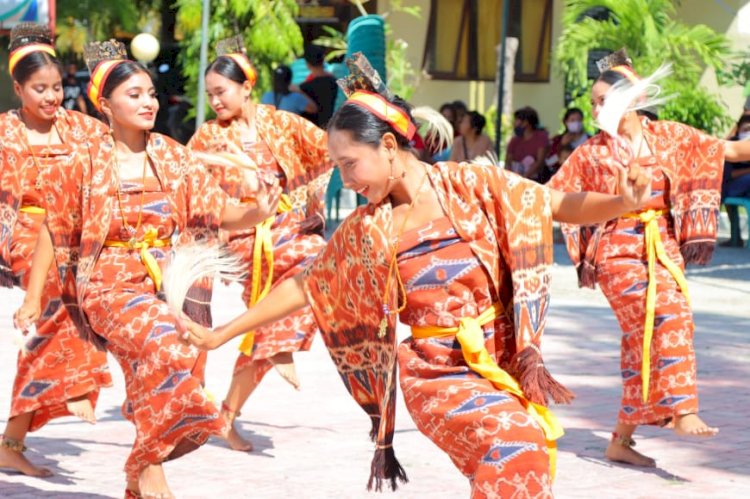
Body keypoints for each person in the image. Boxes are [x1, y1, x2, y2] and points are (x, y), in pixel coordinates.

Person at [177, 53, 653, 497]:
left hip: (498, 363)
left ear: (388, 146)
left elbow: (551, 203)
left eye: (349, 164)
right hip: (435, 375)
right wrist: (221, 335)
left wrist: (624, 203)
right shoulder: (369, 228)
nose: (344, 179)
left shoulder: (469, 184)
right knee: (520, 447)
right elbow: (306, 284)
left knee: (516, 469)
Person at [14, 39, 280, 498]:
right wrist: (33, 297)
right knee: (165, 340)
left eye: (151, 93)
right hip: (107, 283)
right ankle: (146, 462)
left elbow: (221, 211)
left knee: (154, 372)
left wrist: (257, 211)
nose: (148, 102)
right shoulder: (83, 162)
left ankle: (143, 479)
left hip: (162, 281)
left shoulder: (173, 156)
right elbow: (51, 232)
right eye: (134, 94)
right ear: (105, 105)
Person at [548, 50, 750, 468]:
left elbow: (730, 152)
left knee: (640, 344)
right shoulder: (590, 153)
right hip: (615, 253)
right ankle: (683, 408)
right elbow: (550, 196)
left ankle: (620, 439)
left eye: (601, 100)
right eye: (592, 103)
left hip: (664, 248)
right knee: (669, 315)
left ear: (631, 101)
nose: (594, 109)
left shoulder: (669, 137)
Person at [187, 36, 333, 453]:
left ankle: (226, 416)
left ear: (246, 87)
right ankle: (279, 343)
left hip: (286, 224)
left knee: (270, 321)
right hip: (243, 235)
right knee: (313, 260)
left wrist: (312, 202)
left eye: (222, 91)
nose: (215, 101)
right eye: (210, 94)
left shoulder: (280, 122)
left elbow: (329, 151)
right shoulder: (206, 138)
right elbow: (195, 192)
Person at [0, 23, 112, 478]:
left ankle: (13, 439)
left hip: (73, 232)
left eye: (57, 87)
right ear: (18, 88)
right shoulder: (4, 133)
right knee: (59, 287)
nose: (51, 97)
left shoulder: (83, 128)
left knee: (92, 294)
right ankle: (79, 380)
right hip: (21, 230)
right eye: (39, 89)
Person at [721, 114, 750, 246]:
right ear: (738, 130)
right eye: (746, 129)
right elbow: (729, 174)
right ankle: (735, 238)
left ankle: (736, 238)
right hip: (728, 188)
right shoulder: (731, 144)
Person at [541, 107, 589, 183]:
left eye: (579, 120)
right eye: (572, 120)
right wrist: (561, 145)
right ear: (566, 122)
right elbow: (549, 162)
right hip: (563, 179)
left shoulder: (590, 139)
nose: (576, 123)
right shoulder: (557, 140)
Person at [299, 44, 338, 128]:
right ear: (323, 60)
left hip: (315, 134)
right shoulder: (336, 82)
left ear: (307, 64)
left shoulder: (304, 89)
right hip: (335, 129)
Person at [506, 106, 549, 182]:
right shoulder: (514, 140)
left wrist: (524, 178)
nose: (514, 123)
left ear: (526, 122)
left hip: (536, 181)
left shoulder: (541, 137)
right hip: (515, 179)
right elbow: (508, 161)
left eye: (516, 120)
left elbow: (539, 161)